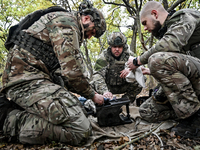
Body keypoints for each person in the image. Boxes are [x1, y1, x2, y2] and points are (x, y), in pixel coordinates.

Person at [0, 0, 106, 146]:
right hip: (24, 81)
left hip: (36, 80)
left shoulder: (68, 27)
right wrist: (93, 95)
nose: (89, 37)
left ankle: (22, 112)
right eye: (92, 32)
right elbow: (72, 73)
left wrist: (90, 94)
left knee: (79, 110)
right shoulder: (67, 22)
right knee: (80, 130)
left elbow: (66, 76)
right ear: (86, 18)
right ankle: (7, 119)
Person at [127, 1, 200, 138]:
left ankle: (194, 119)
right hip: (194, 81)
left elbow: (170, 44)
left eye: (144, 23)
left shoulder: (186, 16)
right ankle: (186, 111)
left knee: (156, 60)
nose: (145, 28)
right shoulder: (170, 30)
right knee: (147, 111)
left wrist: (138, 61)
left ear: (154, 14)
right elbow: (181, 69)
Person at [90, 32, 143, 103]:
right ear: (110, 46)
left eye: (120, 47)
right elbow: (98, 75)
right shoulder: (104, 57)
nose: (117, 49)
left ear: (123, 46)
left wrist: (131, 70)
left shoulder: (130, 56)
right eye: (114, 47)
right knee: (91, 84)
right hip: (108, 87)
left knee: (141, 80)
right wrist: (105, 91)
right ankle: (100, 102)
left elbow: (141, 69)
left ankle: (126, 101)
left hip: (124, 85)